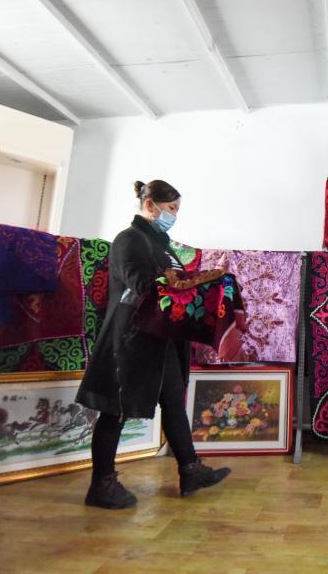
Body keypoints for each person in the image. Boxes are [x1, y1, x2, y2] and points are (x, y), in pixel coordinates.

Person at [76, 179, 230, 509]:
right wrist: (192, 282)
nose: (174, 215)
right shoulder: (129, 239)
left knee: (173, 402)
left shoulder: (162, 245)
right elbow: (143, 285)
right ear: (150, 205)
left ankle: (190, 470)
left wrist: (203, 281)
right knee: (115, 410)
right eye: (171, 208)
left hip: (160, 339)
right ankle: (101, 484)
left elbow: (172, 285)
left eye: (177, 209)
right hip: (130, 340)